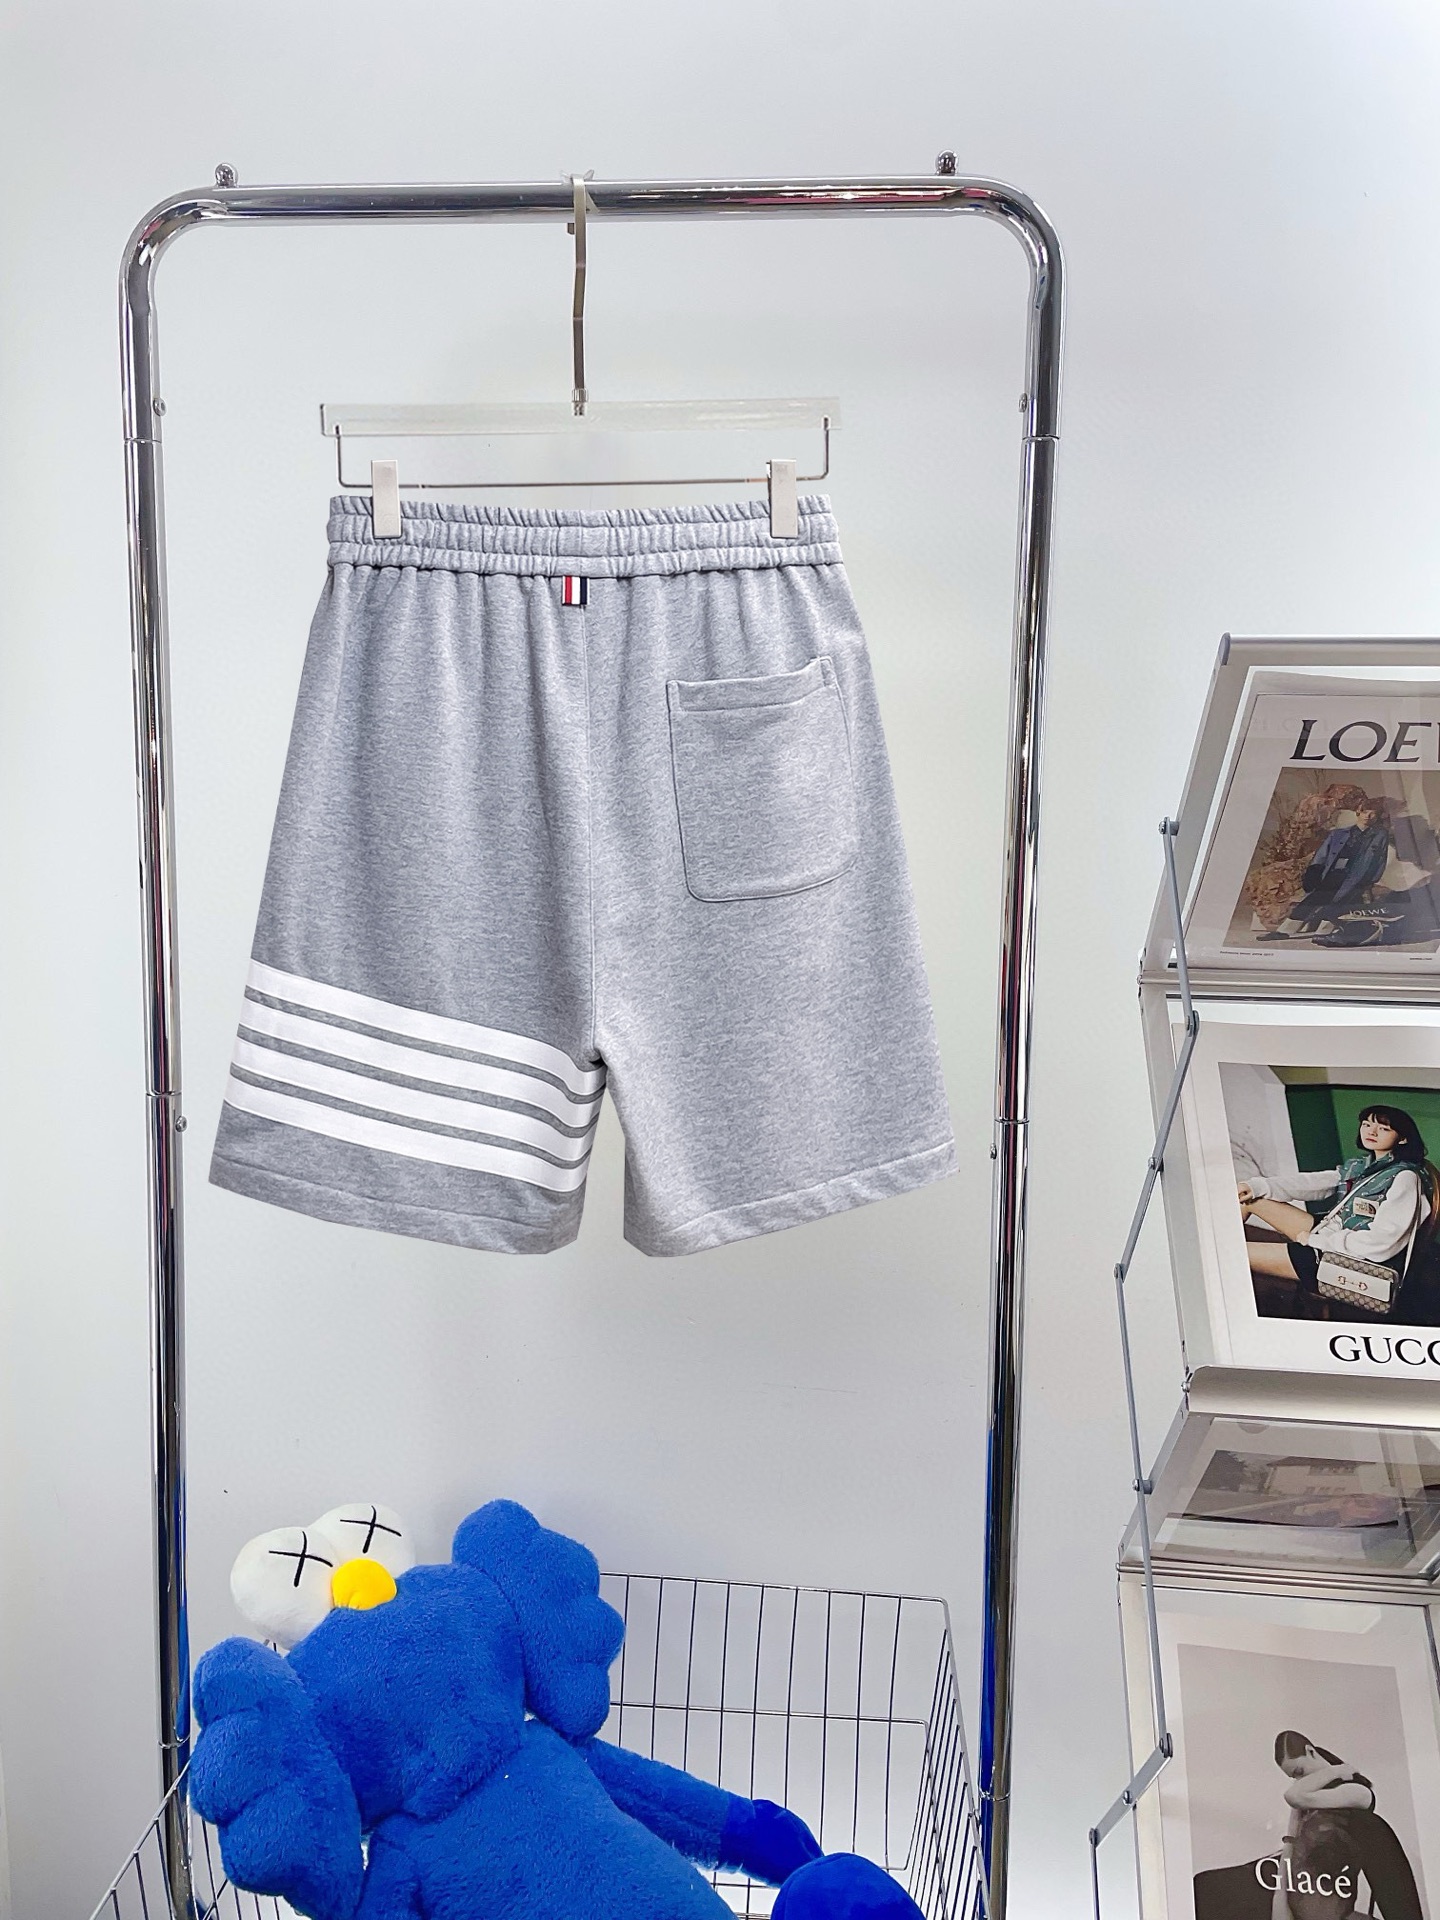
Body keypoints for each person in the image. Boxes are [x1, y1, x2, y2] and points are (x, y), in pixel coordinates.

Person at [1193, 1731, 1423, 1920]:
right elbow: (1290, 1844)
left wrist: (1336, 1770)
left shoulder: (1357, 1792)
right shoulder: (1305, 1801)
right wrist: (1279, 1901)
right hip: (1287, 1875)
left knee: (1208, 1891)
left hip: (1317, 1887)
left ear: (1311, 1751)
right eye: (1293, 1777)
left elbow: (1293, 1796)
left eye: (1299, 1772)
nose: (1298, 1781)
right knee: (1204, 1886)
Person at [1238, 1106, 1434, 1318]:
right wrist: (1257, 1186)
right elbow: (1313, 1183)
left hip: (1345, 1260)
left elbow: (1381, 1244)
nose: (1371, 1131)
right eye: (1367, 1124)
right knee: (1250, 1199)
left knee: (1235, 1254)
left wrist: (1317, 1241)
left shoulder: (1405, 1177)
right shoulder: (1364, 1166)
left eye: (1383, 1128)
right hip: (1331, 1235)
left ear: (1403, 1138)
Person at [1259, 800, 1393, 942]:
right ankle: (1284, 931)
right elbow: (1322, 855)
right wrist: (1314, 871)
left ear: (1377, 817)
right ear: (1358, 812)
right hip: (1334, 873)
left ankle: (1324, 933)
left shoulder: (1380, 836)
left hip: (1356, 878)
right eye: (1365, 812)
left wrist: (1370, 881)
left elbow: (1380, 860)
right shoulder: (1339, 834)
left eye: (1373, 814)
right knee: (1312, 900)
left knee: (1339, 904)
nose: (1368, 816)